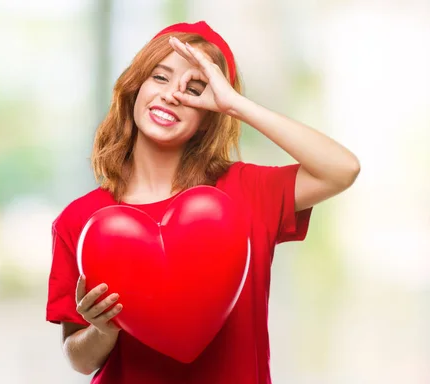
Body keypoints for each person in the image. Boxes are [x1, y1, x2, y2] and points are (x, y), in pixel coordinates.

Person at [45, 21, 360, 384]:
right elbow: (79, 359)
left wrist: (236, 105)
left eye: (195, 89)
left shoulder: (248, 192)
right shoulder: (81, 220)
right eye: (160, 78)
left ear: (210, 115)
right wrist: (103, 330)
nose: (171, 95)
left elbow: (342, 169)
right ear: (135, 87)